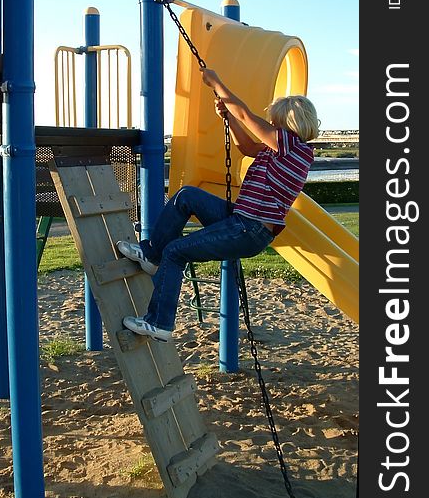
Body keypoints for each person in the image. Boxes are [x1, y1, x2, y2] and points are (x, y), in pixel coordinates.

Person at [118, 67, 320, 342]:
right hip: (239, 219)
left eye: (275, 124)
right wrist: (228, 118)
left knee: (176, 252)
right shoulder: (279, 149)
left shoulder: (292, 147)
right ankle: (152, 254)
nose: (270, 128)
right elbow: (247, 148)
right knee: (185, 196)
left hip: (249, 230)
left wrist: (217, 82)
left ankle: (159, 322)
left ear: (288, 125)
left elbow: (246, 115)